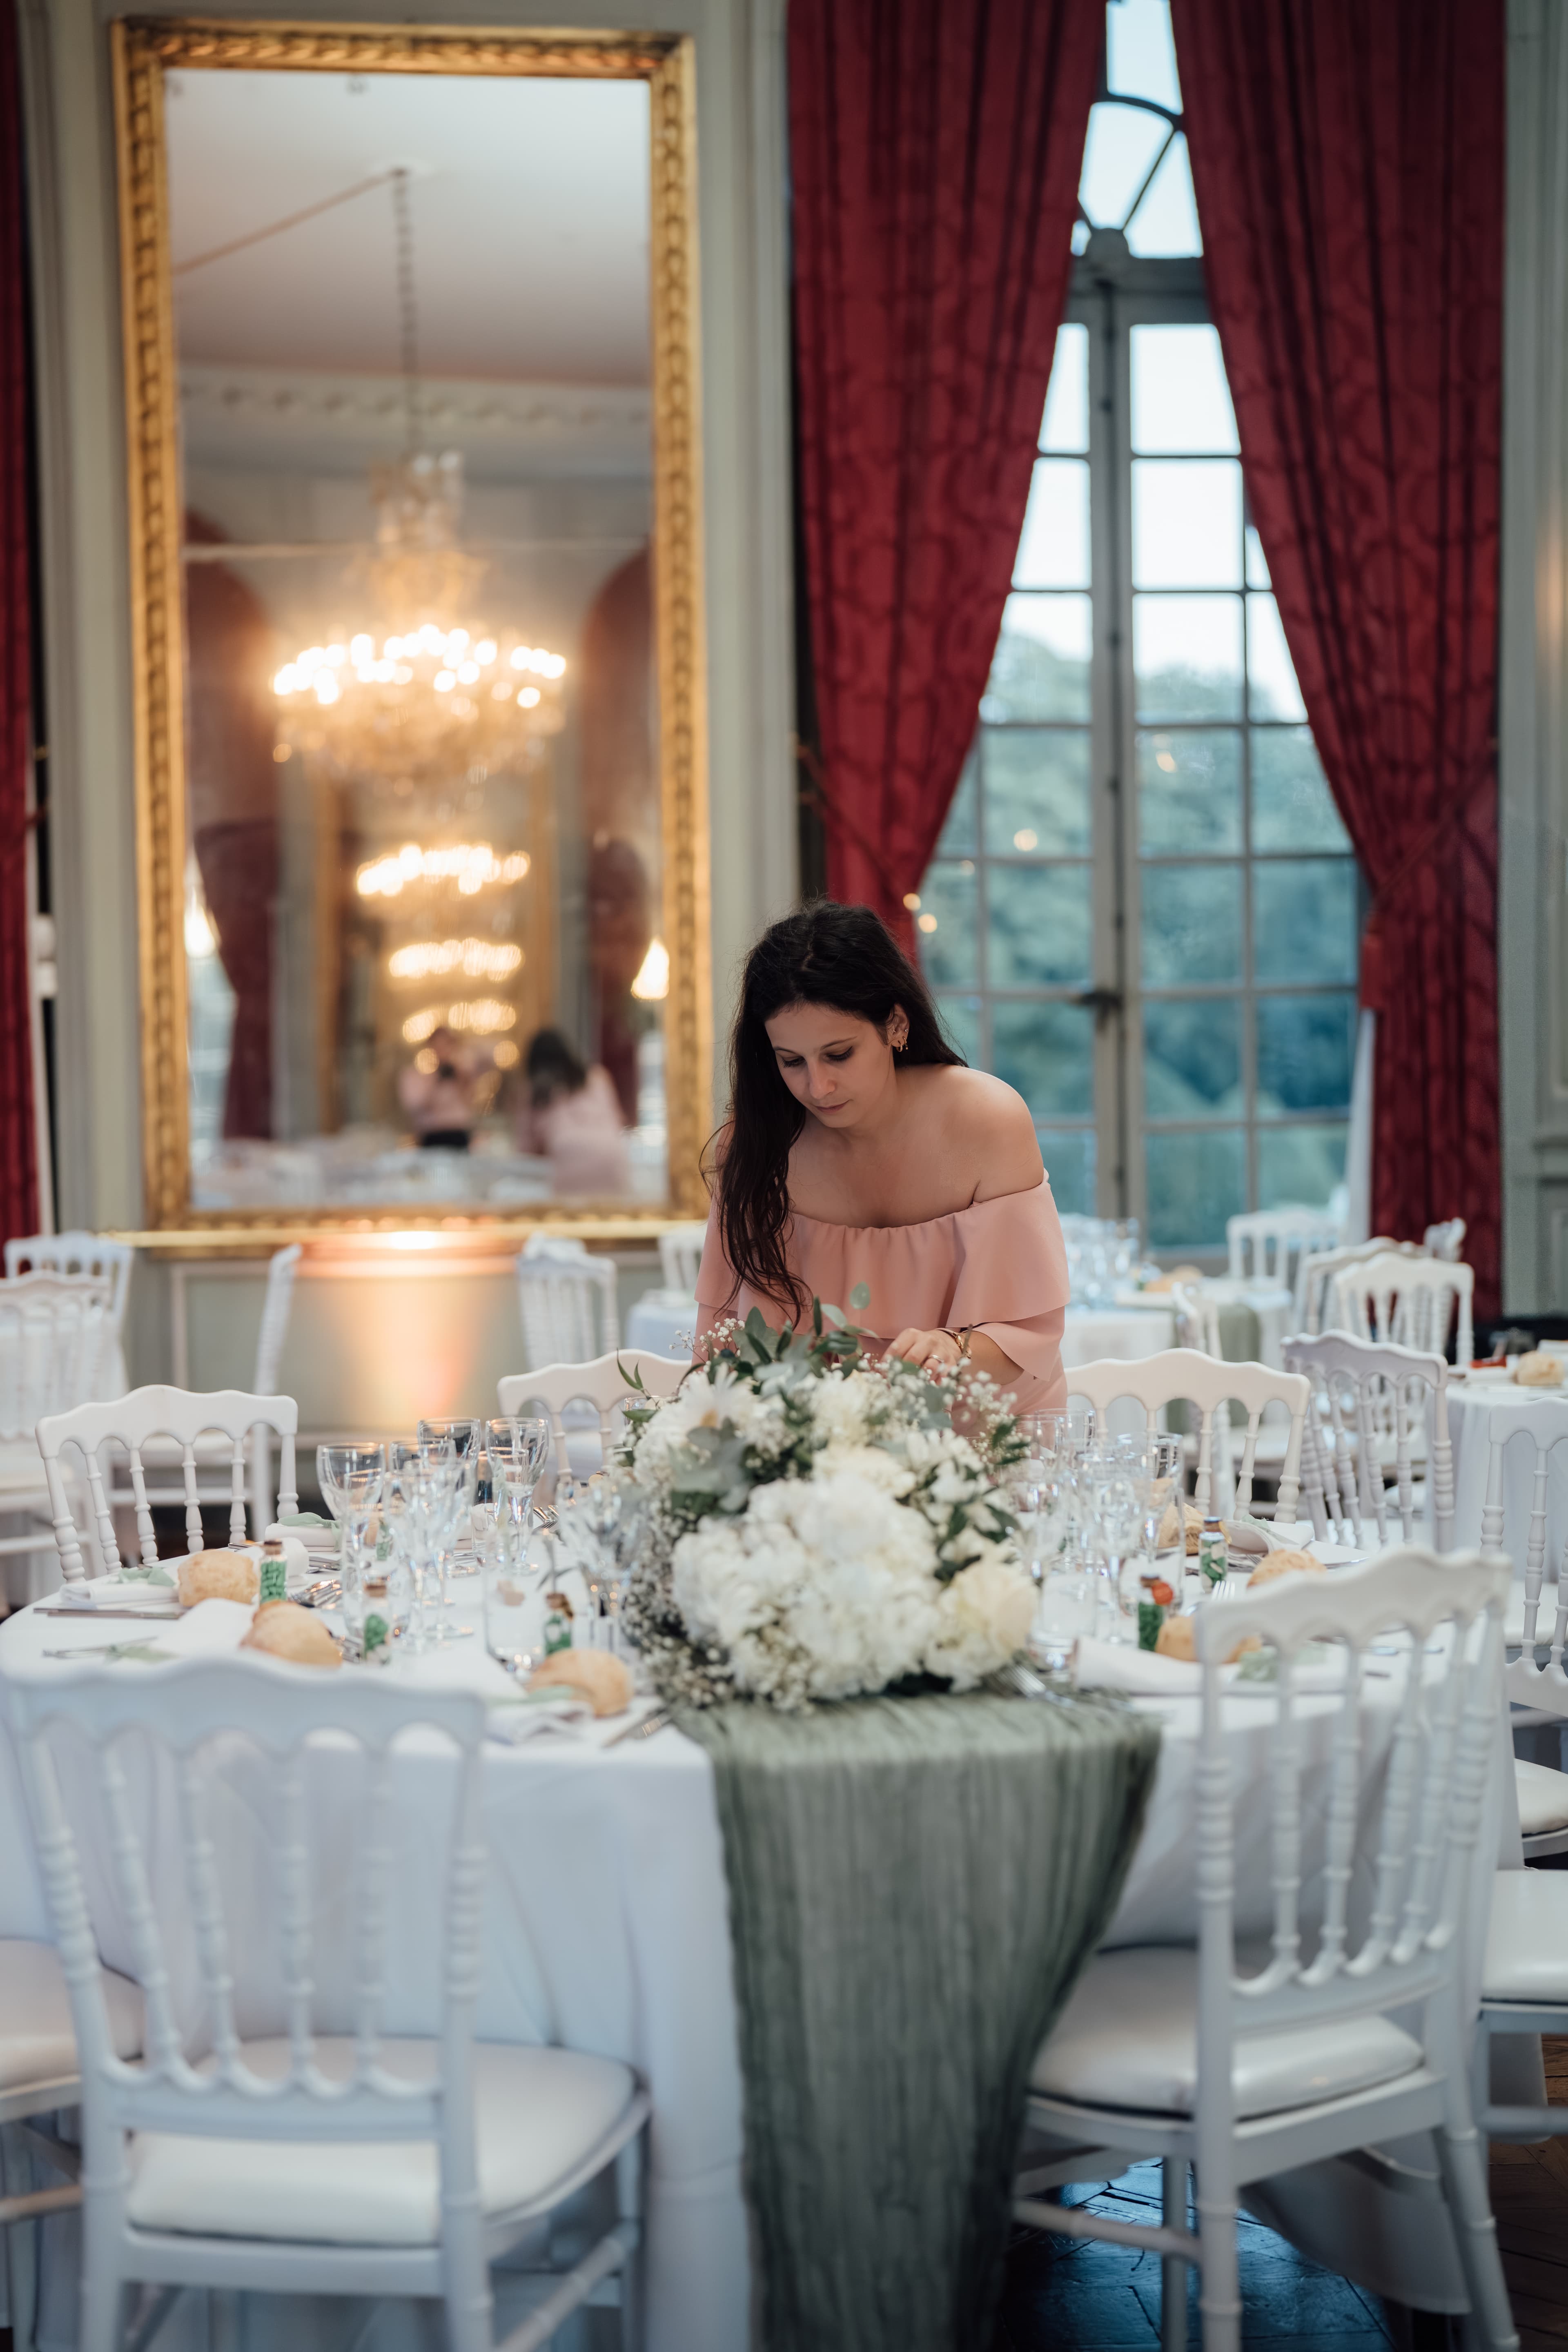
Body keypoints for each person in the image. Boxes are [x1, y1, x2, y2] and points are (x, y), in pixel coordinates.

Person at [694, 901, 1069, 1410]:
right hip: (824, 1449)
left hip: (989, 1427)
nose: (818, 1086)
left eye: (839, 1054)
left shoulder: (987, 1120)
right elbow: (727, 1353)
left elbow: (1030, 1337)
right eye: (791, 1062)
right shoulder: (758, 1150)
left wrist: (952, 1348)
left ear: (895, 1025)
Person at [514, 1027, 631, 1197]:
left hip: (569, 1165)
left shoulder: (539, 1090)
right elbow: (618, 1121)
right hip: (613, 1160)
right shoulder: (598, 1077)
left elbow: (526, 1149)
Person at [396, 1026, 492, 1150]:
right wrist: (435, 1080)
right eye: (438, 1046)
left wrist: (461, 1076)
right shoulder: (418, 1075)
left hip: (460, 1133)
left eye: (447, 1045)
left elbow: (472, 1100)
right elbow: (414, 1106)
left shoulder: (462, 1073)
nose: (443, 1051)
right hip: (430, 1135)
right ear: (430, 1047)